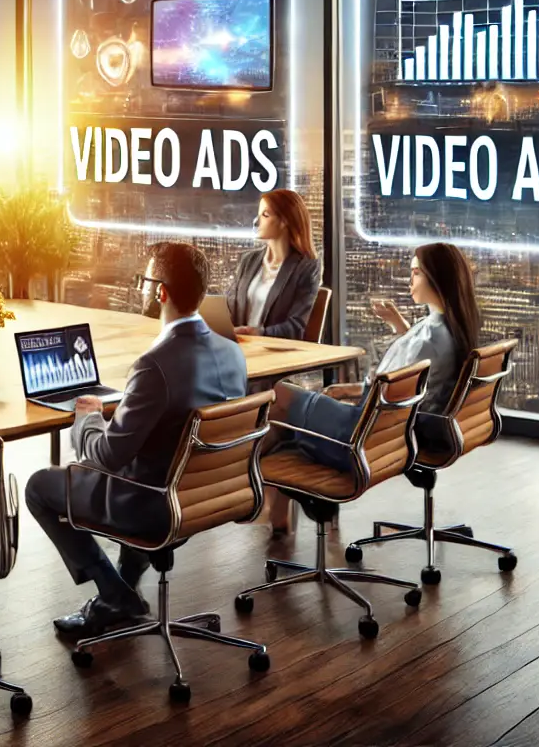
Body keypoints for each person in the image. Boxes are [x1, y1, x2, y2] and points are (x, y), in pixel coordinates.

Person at [25, 243, 249, 638]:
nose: (143, 288)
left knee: (40, 485)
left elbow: (107, 457)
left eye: (145, 281)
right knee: (146, 461)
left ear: (160, 291)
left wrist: (89, 416)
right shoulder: (232, 353)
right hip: (205, 496)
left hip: (154, 506)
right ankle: (121, 594)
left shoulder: (153, 366)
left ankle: (114, 592)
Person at [262, 242, 479, 531]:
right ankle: (278, 499)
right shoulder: (448, 330)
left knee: (277, 394)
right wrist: (400, 328)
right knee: (287, 415)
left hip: (358, 438)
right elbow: (412, 373)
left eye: (416, 273)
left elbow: (383, 394)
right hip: (392, 437)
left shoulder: (427, 342)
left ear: (436, 278)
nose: (409, 280)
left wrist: (353, 391)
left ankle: (256, 489)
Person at [225, 189, 323, 341]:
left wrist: (259, 333)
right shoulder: (248, 260)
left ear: (285, 220)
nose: (257, 221)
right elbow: (228, 308)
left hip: (275, 352)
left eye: (265, 215)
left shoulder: (306, 266)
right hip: (240, 347)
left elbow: (296, 326)